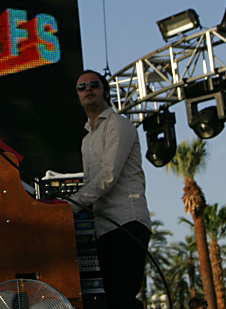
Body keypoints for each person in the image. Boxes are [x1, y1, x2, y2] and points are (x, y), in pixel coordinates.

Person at [69, 69, 152, 309]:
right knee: (115, 300)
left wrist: (70, 205)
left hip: (126, 221)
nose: (87, 90)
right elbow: (91, 182)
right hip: (104, 228)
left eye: (93, 85)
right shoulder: (87, 140)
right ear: (78, 96)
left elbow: (108, 175)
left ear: (105, 92)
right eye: (82, 87)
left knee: (123, 298)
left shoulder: (118, 125)